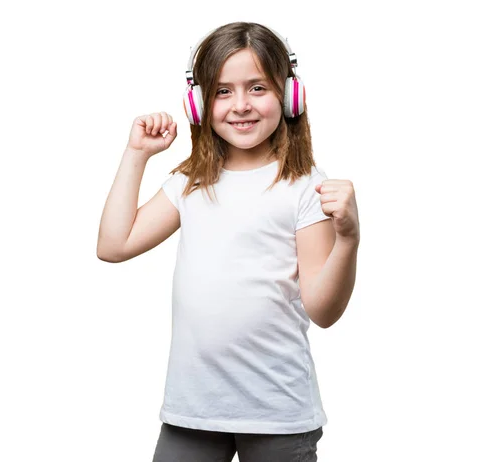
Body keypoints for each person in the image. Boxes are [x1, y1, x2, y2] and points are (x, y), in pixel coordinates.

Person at [97, 21, 360, 462]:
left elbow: (324, 310)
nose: (240, 105)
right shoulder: (190, 184)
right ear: (198, 104)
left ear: (289, 95)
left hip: (277, 417)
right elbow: (113, 245)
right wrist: (136, 154)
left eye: (257, 88)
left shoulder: (304, 187)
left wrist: (348, 239)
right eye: (222, 91)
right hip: (192, 414)